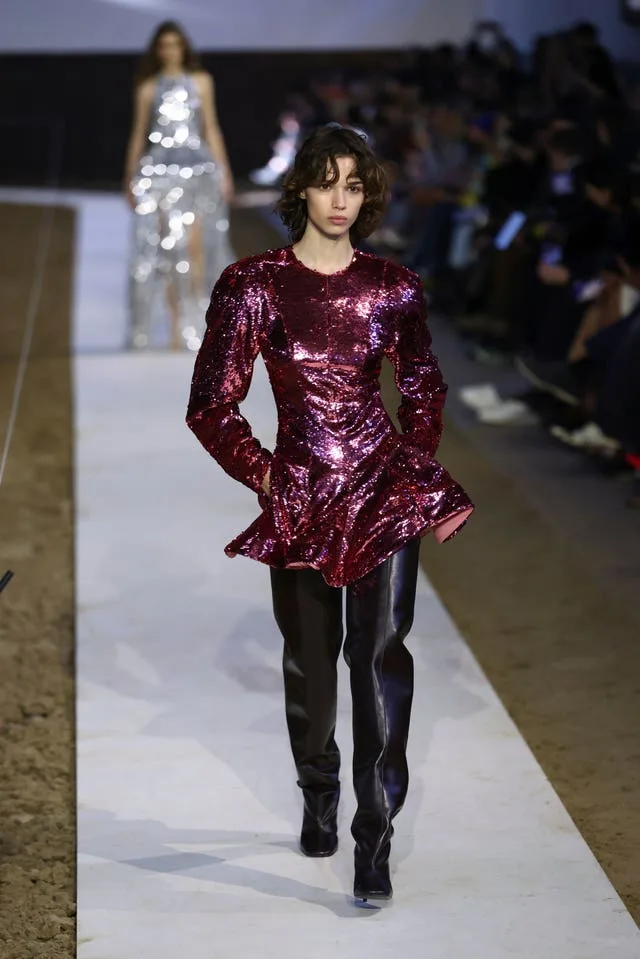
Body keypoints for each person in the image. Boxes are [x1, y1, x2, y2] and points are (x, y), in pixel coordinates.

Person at [186, 125, 474, 903]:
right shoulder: (254, 285)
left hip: (382, 493)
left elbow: (424, 387)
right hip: (301, 497)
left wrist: (411, 466)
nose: (341, 199)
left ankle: (373, 837)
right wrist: (265, 474)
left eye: (354, 184)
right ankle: (319, 790)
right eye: (326, 182)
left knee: (379, 659)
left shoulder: (393, 286)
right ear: (302, 189)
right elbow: (211, 403)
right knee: (312, 668)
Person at [124, 20, 234, 351]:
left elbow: (211, 126)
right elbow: (139, 134)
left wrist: (225, 172)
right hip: (159, 173)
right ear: (157, 50)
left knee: (198, 248)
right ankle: (176, 325)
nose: (170, 50)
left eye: (175, 44)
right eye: (164, 45)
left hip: (198, 171)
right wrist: (129, 177)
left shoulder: (202, 82)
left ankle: (195, 322)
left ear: (184, 47)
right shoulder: (147, 88)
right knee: (170, 249)